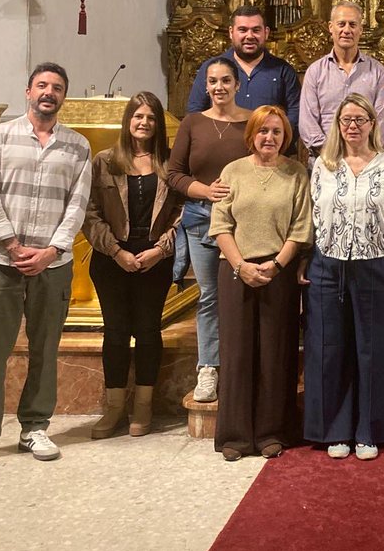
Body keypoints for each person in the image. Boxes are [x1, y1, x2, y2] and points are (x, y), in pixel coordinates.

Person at [0, 62, 92, 472]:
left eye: (57, 87)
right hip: (1, 261)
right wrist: (12, 244)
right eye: (41, 85)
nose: (48, 92)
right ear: (28, 91)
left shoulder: (78, 146)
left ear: (64, 96)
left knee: (45, 348)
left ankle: (35, 426)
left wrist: (52, 250)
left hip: (53, 264)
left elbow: (78, 204)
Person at [305, 93, 384, 461]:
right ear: (338, 125)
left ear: (371, 124)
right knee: (329, 348)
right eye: (346, 120)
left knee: (373, 349)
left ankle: (368, 430)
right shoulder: (323, 165)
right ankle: (335, 430)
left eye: (360, 120)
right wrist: (306, 260)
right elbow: (311, 215)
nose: (352, 126)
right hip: (328, 264)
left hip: (375, 263)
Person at [210, 105, 312, 461]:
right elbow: (220, 224)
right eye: (263, 131)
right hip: (235, 268)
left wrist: (277, 264)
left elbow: (301, 227)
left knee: (275, 352)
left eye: (277, 132)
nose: (269, 137)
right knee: (237, 353)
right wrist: (241, 266)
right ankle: (235, 436)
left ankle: (272, 432)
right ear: (251, 134)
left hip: (278, 270)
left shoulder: (296, 173)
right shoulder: (233, 171)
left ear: (286, 137)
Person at [83, 92, 183, 440]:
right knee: (115, 331)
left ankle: (143, 405)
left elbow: (182, 214)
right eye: (138, 116)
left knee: (148, 330)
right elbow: (90, 213)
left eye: (151, 117)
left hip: (154, 258)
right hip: (112, 258)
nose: (144, 123)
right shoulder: (105, 161)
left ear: (159, 124)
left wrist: (160, 250)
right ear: (128, 121)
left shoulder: (171, 163)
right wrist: (115, 251)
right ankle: (114, 407)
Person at [168, 57, 251, 404]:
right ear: (205, 86)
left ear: (237, 85)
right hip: (201, 219)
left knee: (243, 293)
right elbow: (174, 174)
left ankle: (241, 366)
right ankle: (209, 367)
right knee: (209, 296)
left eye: (226, 80)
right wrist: (205, 191)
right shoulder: (193, 123)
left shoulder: (252, 121)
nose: (219, 87)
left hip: (244, 222)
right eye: (213, 81)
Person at [186, 5, 300, 149]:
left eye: (256, 30)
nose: (250, 36)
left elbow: (296, 113)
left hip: (270, 153)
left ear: (266, 33)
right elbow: (196, 112)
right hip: (222, 150)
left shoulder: (283, 71)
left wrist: (278, 143)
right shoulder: (211, 68)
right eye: (243, 30)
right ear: (231, 32)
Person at [299, 2, 384, 166]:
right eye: (341, 24)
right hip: (325, 160)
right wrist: (330, 153)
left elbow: (380, 121)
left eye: (352, 25)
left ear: (360, 29)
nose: (346, 30)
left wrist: (361, 155)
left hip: (365, 162)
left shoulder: (376, 71)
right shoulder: (315, 71)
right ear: (331, 27)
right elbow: (308, 122)